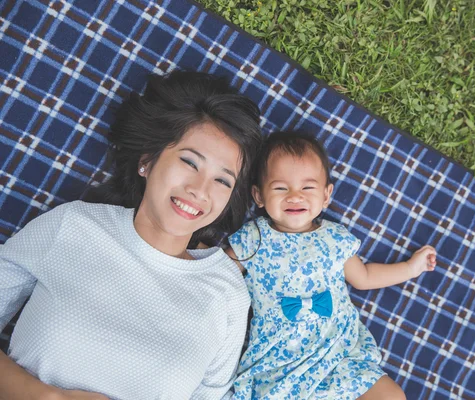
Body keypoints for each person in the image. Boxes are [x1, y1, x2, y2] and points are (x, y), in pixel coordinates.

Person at [0, 71, 263, 399]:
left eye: (222, 181)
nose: (200, 190)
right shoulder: (72, 225)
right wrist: (44, 397)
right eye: (189, 162)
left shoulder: (227, 294)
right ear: (147, 162)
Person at [226, 131, 437, 399]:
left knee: (393, 396)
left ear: (326, 196)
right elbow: (220, 273)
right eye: (281, 188)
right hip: (280, 365)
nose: (295, 196)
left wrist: (410, 267)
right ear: (258, 196)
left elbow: (365, 277)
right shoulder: (253, 238)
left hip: (338, 353)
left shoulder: (335, 238)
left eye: (308, 188)